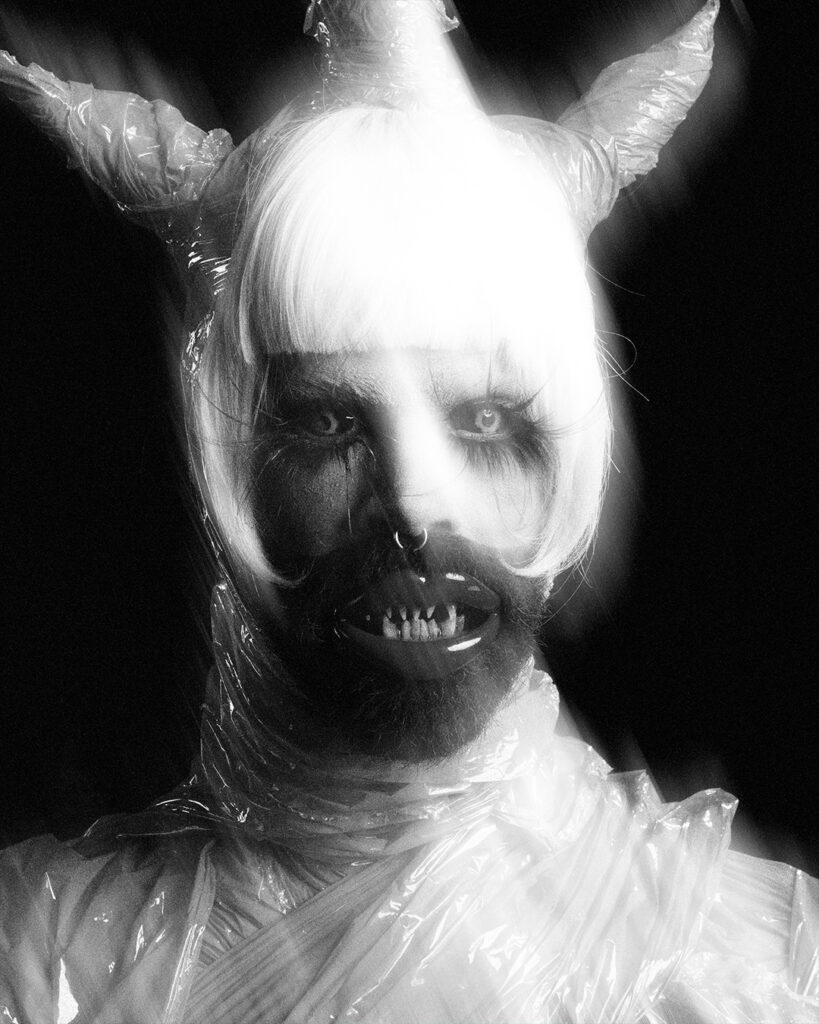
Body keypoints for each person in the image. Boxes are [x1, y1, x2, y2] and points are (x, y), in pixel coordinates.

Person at [1, 1, 816, 1021]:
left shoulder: (765, 975)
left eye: (485, 418)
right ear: (226, 452)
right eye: (327, 421)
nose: (419, 499)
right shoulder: (42, 969)